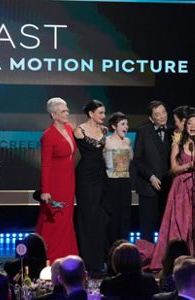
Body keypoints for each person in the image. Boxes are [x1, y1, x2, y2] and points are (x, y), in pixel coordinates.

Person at [150, 114, 195, 270]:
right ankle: (179, 260)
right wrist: (190, 165)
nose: (193, 126)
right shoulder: (178, 144)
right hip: (182, 187)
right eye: (190, 123)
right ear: (186, 126)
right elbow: (174, 169)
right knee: (182, 224)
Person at [36, 97, 78, 263]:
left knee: (66, 219)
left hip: (69, 181)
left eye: (67, 110)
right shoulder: (48, 136)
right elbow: (45, 164)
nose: (67, 113)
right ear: (53, 114)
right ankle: (52, 258)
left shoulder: (68, 128)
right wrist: (45, 189)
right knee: (55, 220)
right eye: (63, 111)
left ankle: (68, 255)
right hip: (55, 184)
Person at [73, 99, 108, 273]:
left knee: (98, 217)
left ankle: (98, 259)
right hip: (85, 176)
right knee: (86, 215)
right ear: (91, 113)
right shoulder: (79, 130)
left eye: (104, 112)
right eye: (100, 113)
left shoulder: (103, 130)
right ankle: (86, 260)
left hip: (100, 175)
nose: (104, 116)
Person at [134, 101, 174, 242]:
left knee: (167, 226)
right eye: (157, 114)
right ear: (151, 118)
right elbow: (137, 160)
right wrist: (150, 177)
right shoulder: (143, 132)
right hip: (148, 186)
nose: (162, 116)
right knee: (147, 228)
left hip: (168, 187)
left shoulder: (174, 132)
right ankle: (147, 259)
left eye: (164, 112)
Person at [103, 112, 133, 248]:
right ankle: (111, 251)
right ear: (114, 126)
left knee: (125, 217)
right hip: (111, 183)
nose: (126, 127)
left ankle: (124, 250)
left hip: (125, 183)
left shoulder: (128, 141)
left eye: (126, 124)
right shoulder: (106, 141)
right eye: (122, 124)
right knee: (113, 218)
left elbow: (131, 159)